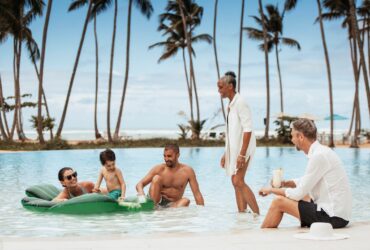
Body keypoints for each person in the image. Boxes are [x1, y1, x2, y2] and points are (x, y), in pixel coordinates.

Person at [259, 118, 352, 228]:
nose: (292, 140)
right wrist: (286, 183)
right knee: (305, 196)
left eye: (293, 136)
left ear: (301, 137)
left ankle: (262, 236)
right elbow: (306, 181)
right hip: (338, 215)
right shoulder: (321, 152)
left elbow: (298, 194)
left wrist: (271, 190)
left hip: (333, 217)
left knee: (278, 202)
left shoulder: (318, 156)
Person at [217, 71, 259, 214]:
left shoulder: (240, 103)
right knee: (235, 181)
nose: (219, 91)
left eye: (221, 87)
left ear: (230, 86)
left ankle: (257, 215)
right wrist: (226, 153)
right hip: (235, 149)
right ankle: (242, 215)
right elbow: (232, 133)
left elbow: (248, 129)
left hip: (244, 149)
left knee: (238, 181)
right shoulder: (232, 104)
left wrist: (242, 154)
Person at [136, 144, 204, 208]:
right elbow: (139, 184)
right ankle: (153, 208)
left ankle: (167, 214)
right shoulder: (159, 169)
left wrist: (203, 214)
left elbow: (197, 194)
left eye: (169, 156)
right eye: (164, 156)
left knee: (186, 201)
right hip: (155, 201)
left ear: (178, 155)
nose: (166, 159)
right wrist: (141, 194)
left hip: (171, 204)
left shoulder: (188, 171)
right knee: (157, 178)